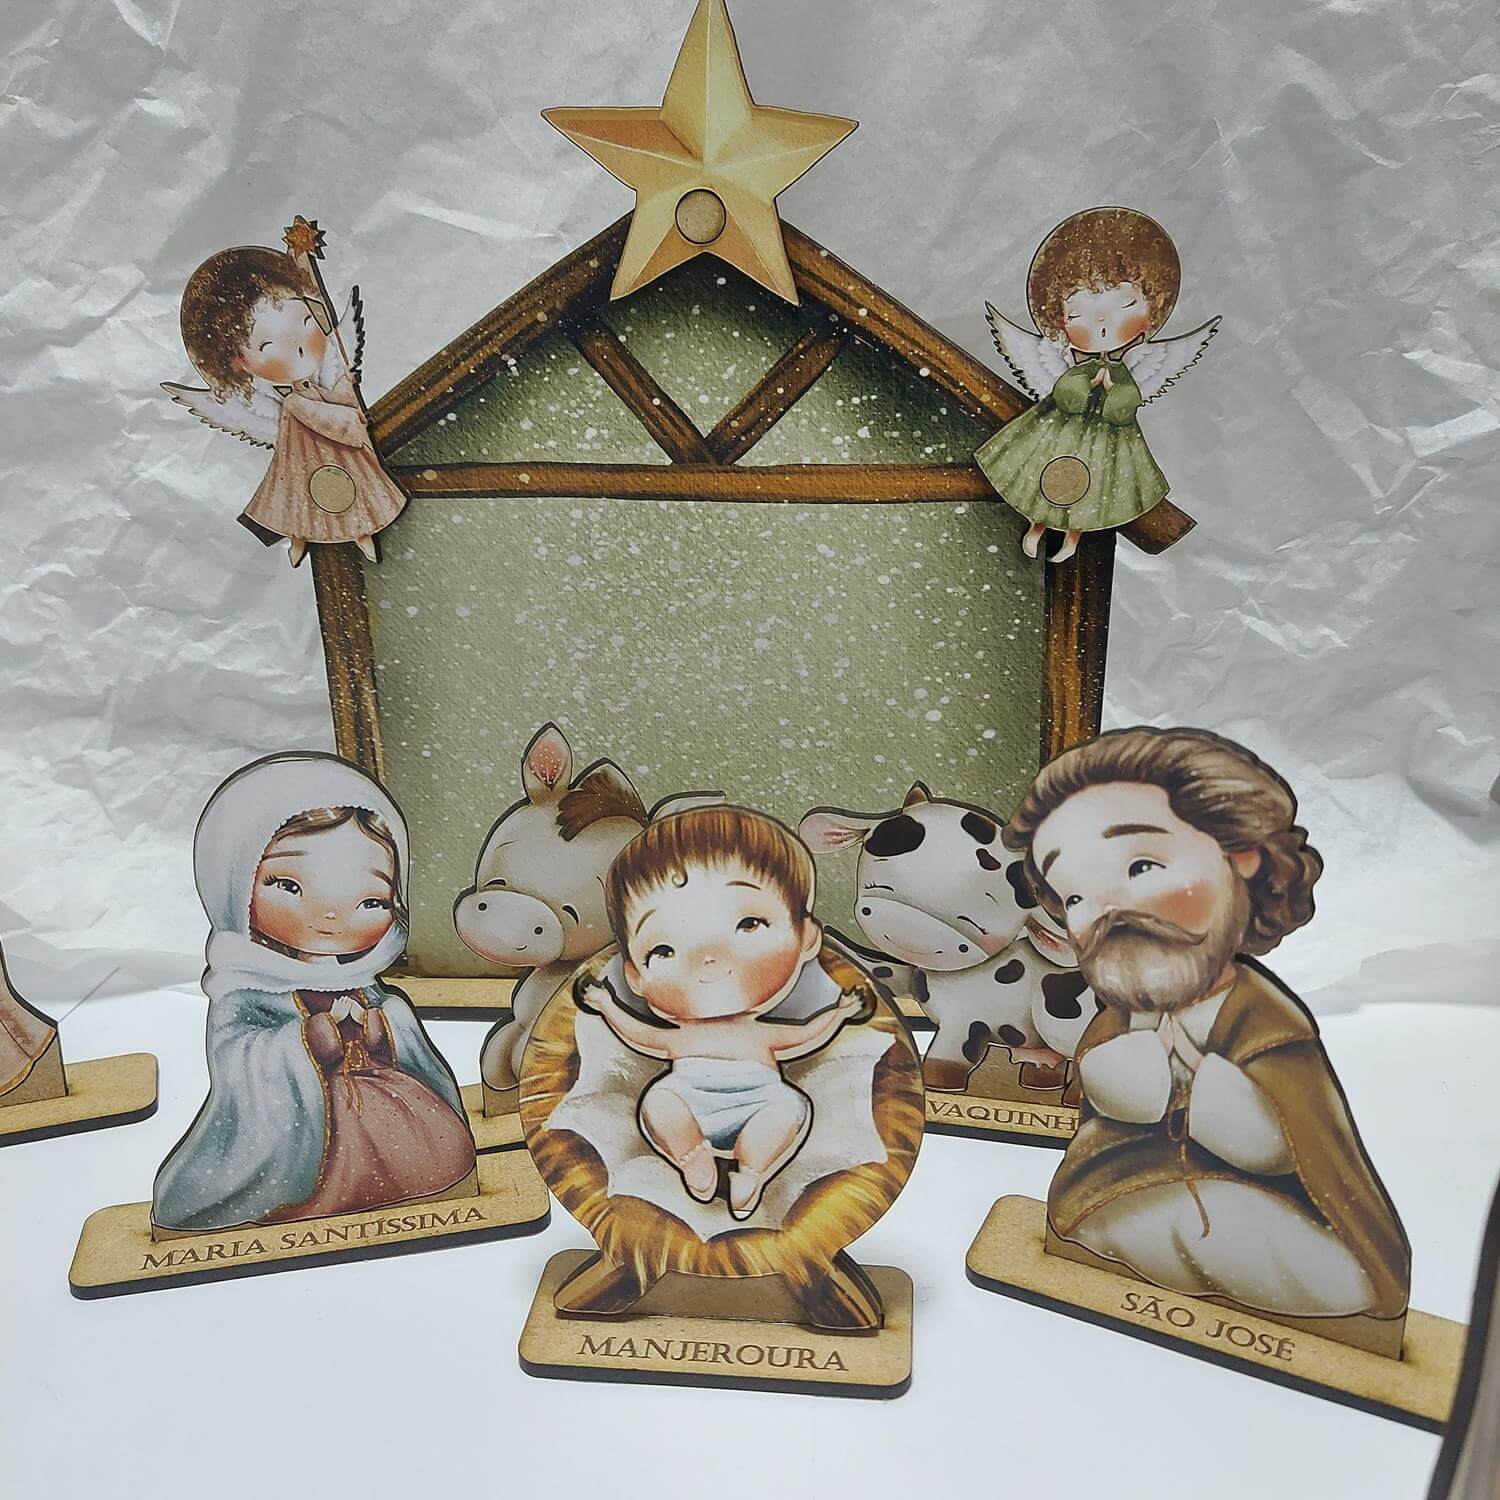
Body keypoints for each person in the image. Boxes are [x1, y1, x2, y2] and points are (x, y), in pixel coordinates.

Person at [1002, 726, 1410, 1330]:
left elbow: (1294, 1149)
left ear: (1240, 857)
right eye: (1075, 898)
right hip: (1110, 1198)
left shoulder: (1269, 1026)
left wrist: (1209, 1088)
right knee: (1156, 1225)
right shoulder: (1116, 1022)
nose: (1109, 910)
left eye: (1142, 865)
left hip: (1259, 1210)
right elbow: (1103, 1106)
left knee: (1320, 1264)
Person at [153, 753, 475, 1234]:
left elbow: (402, 1050)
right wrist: (315, 1035)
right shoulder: (245, 989)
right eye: (288, 885)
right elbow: (239, 1059)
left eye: (370, 900)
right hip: (298, 1135)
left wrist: (377, 1024)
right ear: (234, 882)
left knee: (439, 1154)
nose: (329, 917)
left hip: (391, 1106)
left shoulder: (364, 983)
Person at [576, 805, 866, 1220]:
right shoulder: (682, 1037)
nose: (708, 960)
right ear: (635, 975)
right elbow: (641, 1034)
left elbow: (805, 1036)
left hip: (762, 1101)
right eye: (664, 950)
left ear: (804, 937)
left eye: (749, 925)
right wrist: (606, 1004)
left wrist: (839, 1013)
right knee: (659, 1101)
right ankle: (692, 1157)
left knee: (787, 1109)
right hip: (690, 1100)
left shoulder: (761, 1033)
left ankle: (751, 1172)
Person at [165, 239, 406, 565]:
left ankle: (362, 532)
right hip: (308, 461)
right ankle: (301, 535)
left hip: (343, 453)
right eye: (268, 345)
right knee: (301, 492)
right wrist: (348, 419)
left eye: (306, 323)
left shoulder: (327, 376)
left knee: (358, 485)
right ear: (240, 362)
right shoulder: (287, 406)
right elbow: (330, 422)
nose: (299, 346)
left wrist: (301, 257)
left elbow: (315, 297)